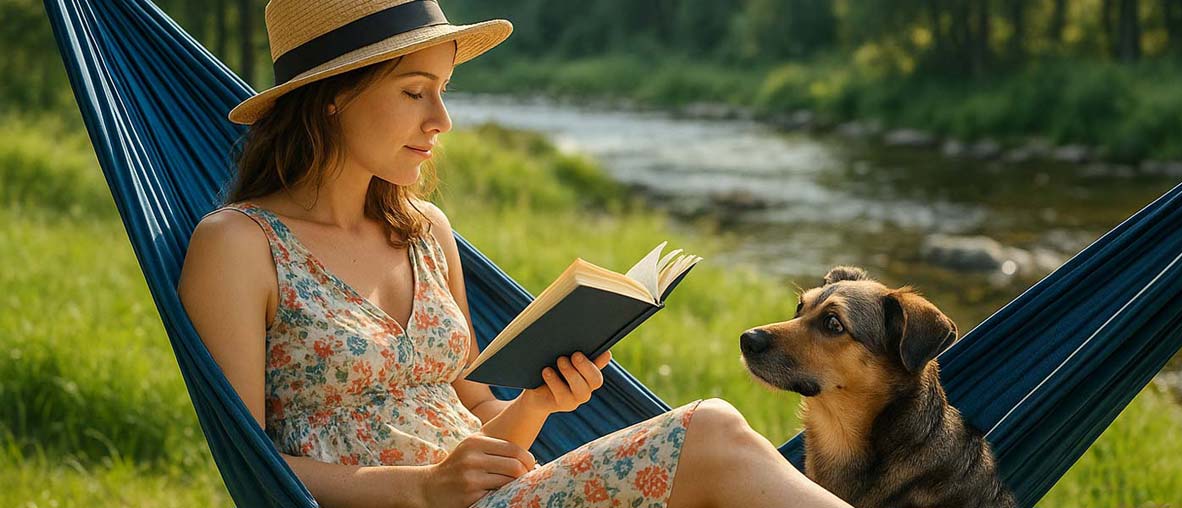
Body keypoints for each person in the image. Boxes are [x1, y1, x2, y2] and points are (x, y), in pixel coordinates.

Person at [178, 1, 852, 507]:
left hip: (502, 497)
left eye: (444, 92)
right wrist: (421, 489)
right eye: (415, 92)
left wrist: (539, 401)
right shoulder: (239, 246)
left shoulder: (423, 232)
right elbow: (249, 462)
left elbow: (479, 417)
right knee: (711, 432)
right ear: (331, 97)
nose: (441, 120)